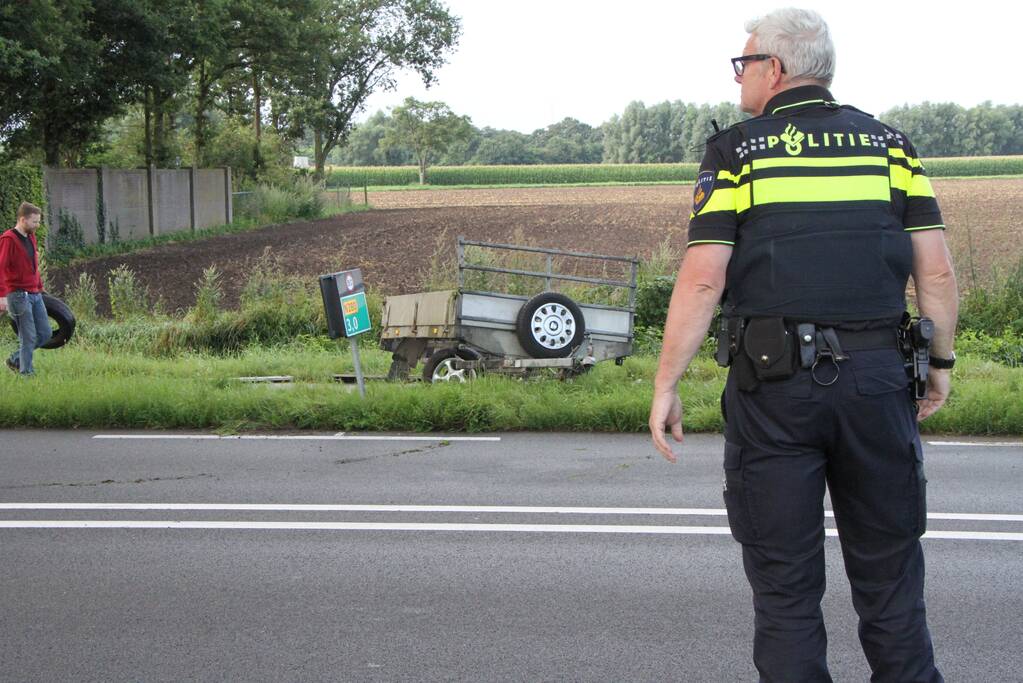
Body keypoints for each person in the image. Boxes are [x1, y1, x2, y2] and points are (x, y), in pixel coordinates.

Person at [649, 8, 957, 682]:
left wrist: (666, 383)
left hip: (774, 389)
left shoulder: (737, 152)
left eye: (744, 63)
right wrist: (938, 364)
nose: (738, 77)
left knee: (785, 593)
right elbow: (934, 271)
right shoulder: (890, 147)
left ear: (775, 69)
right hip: (879, 382)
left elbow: (702, 278)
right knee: (892, 585)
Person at [1, 202, 52, 375]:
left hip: (35, 294)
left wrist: (40, 287)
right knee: (28, 336)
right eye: (35, 221)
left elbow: (32, 265)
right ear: (23, 220)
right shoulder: (8, 239)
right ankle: (26, 374)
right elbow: (1, 267)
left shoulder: (31, 237)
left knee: (45, 333)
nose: (38, 225)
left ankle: (15, 360)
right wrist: (2, 296)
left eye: (39, 221)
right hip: (17, 295)